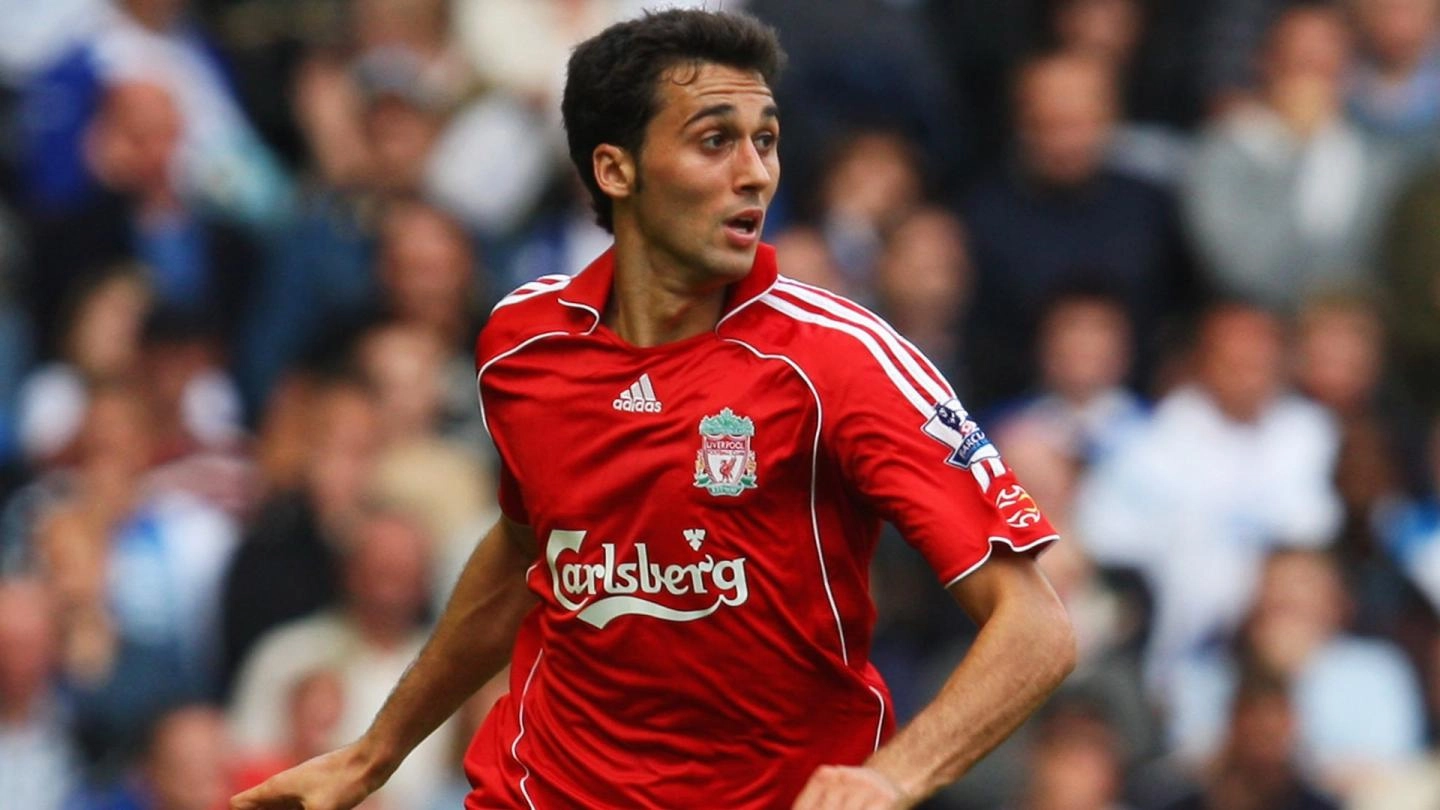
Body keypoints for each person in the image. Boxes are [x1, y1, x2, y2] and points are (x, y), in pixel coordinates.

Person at [232, 10, 1075, 810]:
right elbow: (528, 547)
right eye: (715, 140)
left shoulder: (842, 361)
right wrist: (373, 754)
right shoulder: (524, 345)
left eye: (766, 140)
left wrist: (891, 780)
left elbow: (1036, 627)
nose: (755, 172)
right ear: (615, 169)